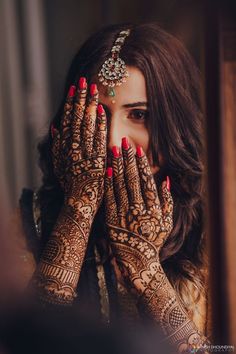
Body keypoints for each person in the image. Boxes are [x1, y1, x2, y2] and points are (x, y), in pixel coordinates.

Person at [12, 22, 211, 353]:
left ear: (176, 125)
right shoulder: (26, 223)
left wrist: (145, 270)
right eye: (97, 114)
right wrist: (78, 208)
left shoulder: (214, 230)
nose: (111, 139)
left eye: (138, 114)